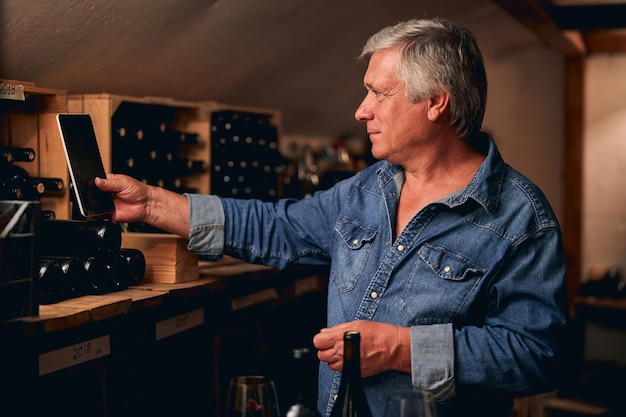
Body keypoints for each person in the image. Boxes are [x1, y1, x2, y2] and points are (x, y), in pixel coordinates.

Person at [96, 17, 569, 417]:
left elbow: (537, 356)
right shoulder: (368, 187)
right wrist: (151, 205)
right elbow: (276, 227)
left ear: (435, 102)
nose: (361, 111)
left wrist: (402, 349)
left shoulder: (521, 218)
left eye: (378, 93)